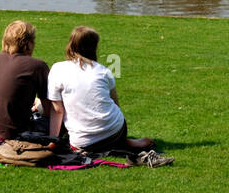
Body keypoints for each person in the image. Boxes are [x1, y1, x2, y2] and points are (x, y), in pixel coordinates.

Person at [48, 27, 160, 159]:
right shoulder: (104, 71)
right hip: (114, 129)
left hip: (82, 142)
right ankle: (123, 143)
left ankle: (120, 143)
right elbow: (115, 104)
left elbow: (57, 110)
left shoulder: (58, 69)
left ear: (70, 44)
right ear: (94, 47)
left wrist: (53, 141)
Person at [0, 21, 51, 150]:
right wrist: (38, 105)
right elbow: (50, 111)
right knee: (59, 117)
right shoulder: (37, 66)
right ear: (28, 44)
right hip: (13, 140)